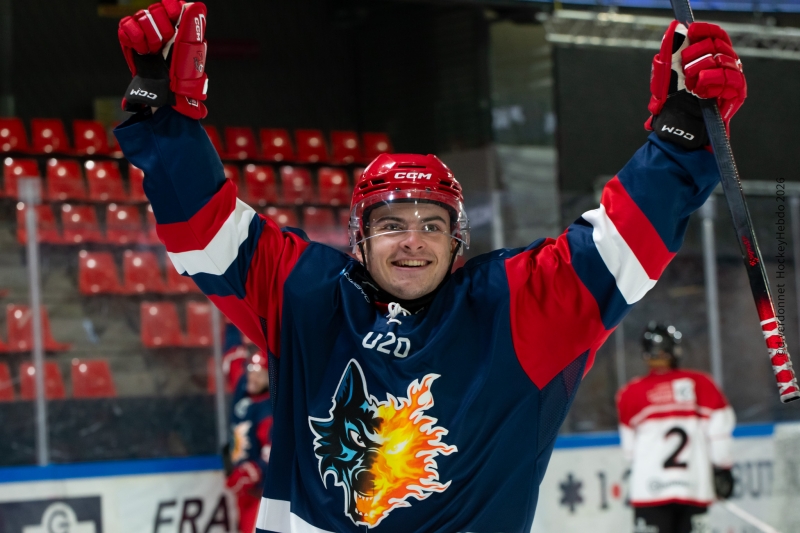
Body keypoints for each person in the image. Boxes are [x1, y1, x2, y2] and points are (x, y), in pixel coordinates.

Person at [114, 3, 746, 531]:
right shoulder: (308, 298)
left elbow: (619, 247)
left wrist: (682, 137)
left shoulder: (512, 308)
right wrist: (167, 123)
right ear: (359, 239)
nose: (412, 241)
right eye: (391, 225)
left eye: (432, 225)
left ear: (457, 242)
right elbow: (205, 231)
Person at [616, 323, 736, 533]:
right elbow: (719, 435)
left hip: (649, 491)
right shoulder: (701, 383)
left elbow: (629, 452)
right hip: (694, 488)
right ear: (675, 350)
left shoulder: (630, 393)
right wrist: (722, 469)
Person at [226, 351, 273, 533]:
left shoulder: (268, 410)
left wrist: (251, 472)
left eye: (259, 373)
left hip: (259, 494)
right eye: (251, 370)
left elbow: (273, 454)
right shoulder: (244, 394)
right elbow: (231, 359)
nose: (253, 376)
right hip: (243, 492)